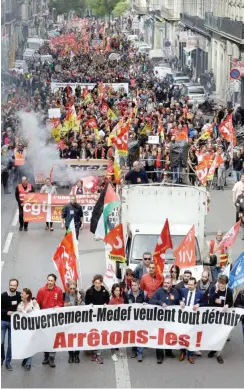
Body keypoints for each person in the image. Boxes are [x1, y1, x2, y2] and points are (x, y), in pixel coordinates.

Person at [150, 277, 180, 363]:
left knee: (169, 336)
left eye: (168, 283)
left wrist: (181, 302)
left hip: (171, 319)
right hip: (160, 319)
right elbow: (151, 300)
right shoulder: (159, 291)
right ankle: (159, 356)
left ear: (171, 284)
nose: (166, 284)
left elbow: (178, 301)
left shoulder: (175, 292)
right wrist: (160, 303)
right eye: (165, 283)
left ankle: (168, 352)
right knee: (160, 337)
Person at [36, 274, 63, 367]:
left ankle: (52, 357)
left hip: (54, 318)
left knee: (53, 338)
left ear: (55, 281)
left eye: (52, 280)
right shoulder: (41, 290)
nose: (50, 282)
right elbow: (37, 304)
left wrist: (58, 306)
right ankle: (46, 356)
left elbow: (61, 302)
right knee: (45, 337)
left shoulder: (59, 290)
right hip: (44, 318)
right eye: (49, 280)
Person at [179, 277, 205, 364]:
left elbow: (205, 303)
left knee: (191, 336)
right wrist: (180, 302)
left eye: (191, 285)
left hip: (194, 319)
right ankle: (182, 352)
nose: (189, 286)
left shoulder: (200, 294)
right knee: (183, 335)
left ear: (195, 285)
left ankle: (190, 354)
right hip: (183, 318)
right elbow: (177, 299)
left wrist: (199, 304)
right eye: (188, 284)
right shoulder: (183, 291)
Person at [208, 275, 233, 364]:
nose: (221, 286)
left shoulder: (228, 291)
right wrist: (215, 292)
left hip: (223, 316)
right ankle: (213, 350)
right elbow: (210, 300)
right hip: (214, 316)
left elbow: (230, 302)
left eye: (223, 284)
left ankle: (219, 354)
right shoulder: (213, 289)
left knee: (222, 335)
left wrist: (227, 305)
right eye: (219, 283)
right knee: (214, 334)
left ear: (226, 284)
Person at [85, 274, 110, 364]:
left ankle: (97, 351)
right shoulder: (89, 291)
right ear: (94, 283)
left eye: (99, 283)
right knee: (93, 332)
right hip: (92, 316)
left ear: (101, 283)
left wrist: (105, 304)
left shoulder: (104, 291)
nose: (97, 284)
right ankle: (93, 350)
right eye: (95, 283)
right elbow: (86, 302)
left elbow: (107, 300)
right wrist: (89, 305)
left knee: (100, 332)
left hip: (101, 316)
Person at [17, 288, 40, 371]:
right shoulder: (20, 304)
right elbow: (18, 315)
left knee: (30, 345)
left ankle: (28, 363)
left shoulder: (34, 303)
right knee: (24, 345)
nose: (21, 294)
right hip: (23, 328)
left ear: (27, 295)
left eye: (22, 293)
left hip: (32, 328)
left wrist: (31, 312)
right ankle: (26, 358)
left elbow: (38, 313)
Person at [1, 279, 21, 371]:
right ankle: (2, 357)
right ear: (9, 285)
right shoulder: (3, 296)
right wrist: (6, 312)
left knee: (10, 344)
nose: (12, 287)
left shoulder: (19, 295)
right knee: (1, 342)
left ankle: (8, 362)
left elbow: (27, 300)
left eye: (14, 285)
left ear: (17, 286)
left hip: (14, 323)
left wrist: (33, 300)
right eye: (11, 285)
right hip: (3, 322)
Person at [63, 280, 85, 363]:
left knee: (78, 338)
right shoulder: (65, 295)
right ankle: (71, 355)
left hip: (78, 320)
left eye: (73, 288)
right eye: (70, 288)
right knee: (70, 339)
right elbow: (62, 306)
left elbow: (84, 306)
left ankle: (77, 355)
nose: (72, 290)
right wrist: (66, 305)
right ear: (68, 288)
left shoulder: (80, 294)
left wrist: (80, 302)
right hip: (69, 320)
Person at [127, 278, 149, 361]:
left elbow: (148, 304)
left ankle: (140, 353)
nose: (133, 287)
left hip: (141, 318)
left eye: (135, 285)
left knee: (140, 334)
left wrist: (145, 304)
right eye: (132, 285)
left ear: (139, 285)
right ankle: (134, 351)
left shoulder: (144, 294)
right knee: (133, 334)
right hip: (132, 318)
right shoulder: (128, 293)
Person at [109, 283, 128, 362]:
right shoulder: (112, 300)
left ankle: (119, 350)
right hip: (114, 321)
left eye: (118, 290)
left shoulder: (122, 298)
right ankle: (113, 354)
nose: (117, 292)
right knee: (113, 337)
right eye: (116, 290)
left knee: (119, 336)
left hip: (121, 321)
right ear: (113, 291)